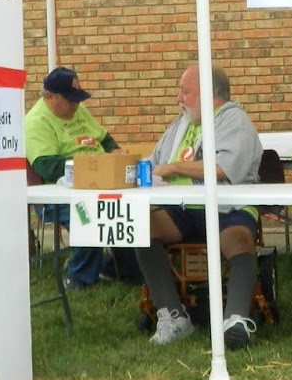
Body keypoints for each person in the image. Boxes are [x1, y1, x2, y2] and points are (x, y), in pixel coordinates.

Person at [137, 66, 266, 350]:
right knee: (140, 228)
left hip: (227, 207)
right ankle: (173, 317)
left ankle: (235, 320)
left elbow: (223, 168)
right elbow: (154, 163)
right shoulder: (180, 124)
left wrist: (174, 167)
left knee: (239, 241)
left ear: (207, 93)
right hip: (181, 207)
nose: (178, 98)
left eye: (185, 91)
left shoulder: (234, 121)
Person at [25, 66, 119, 288]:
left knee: (128, 212)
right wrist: (93, 167)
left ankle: (118, 268)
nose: (76, 105)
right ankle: (78, 278)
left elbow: (104, 138)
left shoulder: (78, 110)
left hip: (97, 182)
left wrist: (115, 152)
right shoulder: (36, 122)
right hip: (60, 192)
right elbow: (47, 167)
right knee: (90, 219)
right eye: (70, 100)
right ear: (50, 97)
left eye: (77, 99)